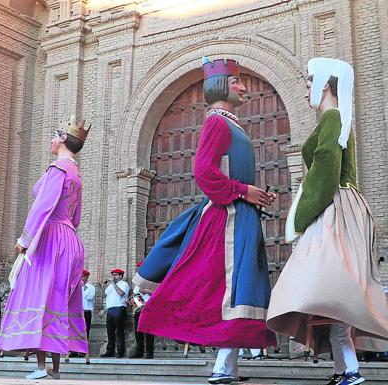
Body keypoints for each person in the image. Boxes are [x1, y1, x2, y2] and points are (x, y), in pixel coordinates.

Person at [133, 57, 277, 384]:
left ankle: (229, 367)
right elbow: (203, 172)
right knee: (233, 286)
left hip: (241, 215)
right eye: (237, 81)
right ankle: (223, 367)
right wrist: (242, 191)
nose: (243, 87)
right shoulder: (216, 123)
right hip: (227, 219)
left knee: (242, 287)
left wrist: (252, 195)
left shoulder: (231, 124)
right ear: (222, 84)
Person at [267, 58, 388, 385]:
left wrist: (302, 218)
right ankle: (344, 370)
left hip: (335, 207)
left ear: (325, 83)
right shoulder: (335, 120)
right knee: (335, 295)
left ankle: (348, 371)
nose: (306, 87)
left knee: (328, 288)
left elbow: (325, 170)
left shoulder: (333, 119)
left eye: (310, 81)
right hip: (342, 207)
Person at [0, 115, 91, 380]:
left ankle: (40, 367)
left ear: (61, 139)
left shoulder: (57, 169)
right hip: (71, 239)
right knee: (59, 299)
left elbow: (42, 207)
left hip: (51, 238)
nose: (50, 140)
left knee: (41, 296)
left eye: (53, 135)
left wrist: (24, 240)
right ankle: (55, 369)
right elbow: (77, 216)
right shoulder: (76, 173)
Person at [101, 268, 130, 358]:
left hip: (119, 309)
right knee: (110, 332)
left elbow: (121, 293)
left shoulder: (124, 284)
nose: (114, 276)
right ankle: (109, 351)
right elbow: (104, 296)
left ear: (121, 276)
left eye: (116, 275)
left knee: (120, 331)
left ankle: (120, 351)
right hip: (110, 310)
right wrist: (103, 287)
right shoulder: (110, 286)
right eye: (113, 274)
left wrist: (113, 284)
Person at [130, 262, 155, 359]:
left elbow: (158, 292)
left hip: (149, 307)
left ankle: (149, 352)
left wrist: (146, 291)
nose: (138, 271)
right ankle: (139, 351)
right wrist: (132, 300)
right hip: (138, 307)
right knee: (138, 330)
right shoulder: (137, 282)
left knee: (148, 330)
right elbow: (135, 294)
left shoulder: (152, 280)